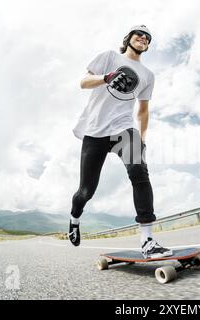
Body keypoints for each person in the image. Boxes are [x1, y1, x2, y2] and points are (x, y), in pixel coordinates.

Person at [69, 25, 173, 259]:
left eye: (147, 38)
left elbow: (143, 110)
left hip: (123, 129)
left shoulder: (148, 75)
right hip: (95, 131)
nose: (143, 38)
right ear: (128, 38)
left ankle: (147, 240)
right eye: (139, 34)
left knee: (139, 170)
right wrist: (106, 77)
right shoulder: (109, 57)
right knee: (86, 191)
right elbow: (83, 82)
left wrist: (142, 138)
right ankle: (75, 217)